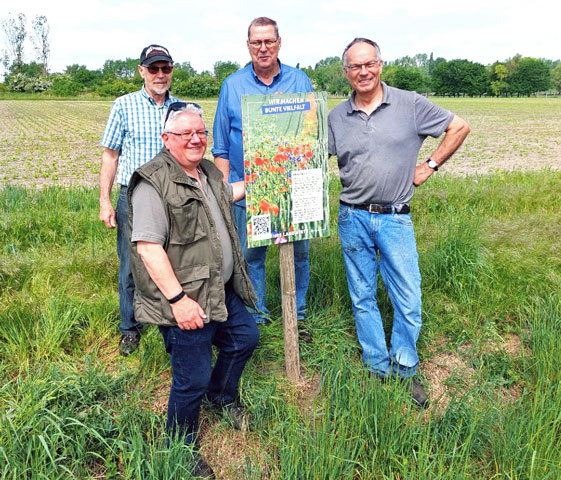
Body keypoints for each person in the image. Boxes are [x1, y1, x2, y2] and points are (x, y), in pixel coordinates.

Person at [328, 38, 470, 407]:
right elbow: (310, 154)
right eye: (354, 66)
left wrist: (430, 165)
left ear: (380, 65)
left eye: (369, 64)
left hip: (394, 218)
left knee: (408, 297)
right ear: (345, 72)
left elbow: (459, 127)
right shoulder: (336, 116)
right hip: (352, 216)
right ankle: (377, 365)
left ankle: (405, 368)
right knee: (362, 296)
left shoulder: (409, 104)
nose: (363, 72)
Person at [128, 102, 260, 479]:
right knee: (191, 379)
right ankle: (180, 448)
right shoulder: (153, 182)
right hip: (187, 296)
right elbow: (148, 248)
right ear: (167, 139)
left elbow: (226, 196)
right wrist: (178, 301)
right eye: (185, 134)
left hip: (218, 288)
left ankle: (221, 395)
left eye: (200, 132)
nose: (195, 139)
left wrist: (265, 179)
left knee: (245, 338)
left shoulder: (205, 172)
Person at [212, 17, 314, 325]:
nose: (263, 48)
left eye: (269, 41)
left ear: (279, 43)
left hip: (292, 190)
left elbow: (312, 131)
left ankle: (298, 315)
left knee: (298, 255)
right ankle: (256, 317)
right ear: (248, 46)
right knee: (251, 255)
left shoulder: (300, 81)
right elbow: (220, 146)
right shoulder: (232, 85)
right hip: (248, 191)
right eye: (257, 42)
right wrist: (225, 192)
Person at [99, 44, 180, 356]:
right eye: (154, 68)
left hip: (171, 197)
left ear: (172, 70)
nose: (160, 75)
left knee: (172, 261)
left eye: (165, 68)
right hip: (133, 197)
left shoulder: (182, 109)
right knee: (131, 266)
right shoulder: (123, 105)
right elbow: (110, 154)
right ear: (141, 71)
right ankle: (130, 328)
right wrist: (105, 201)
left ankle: (169, 323)